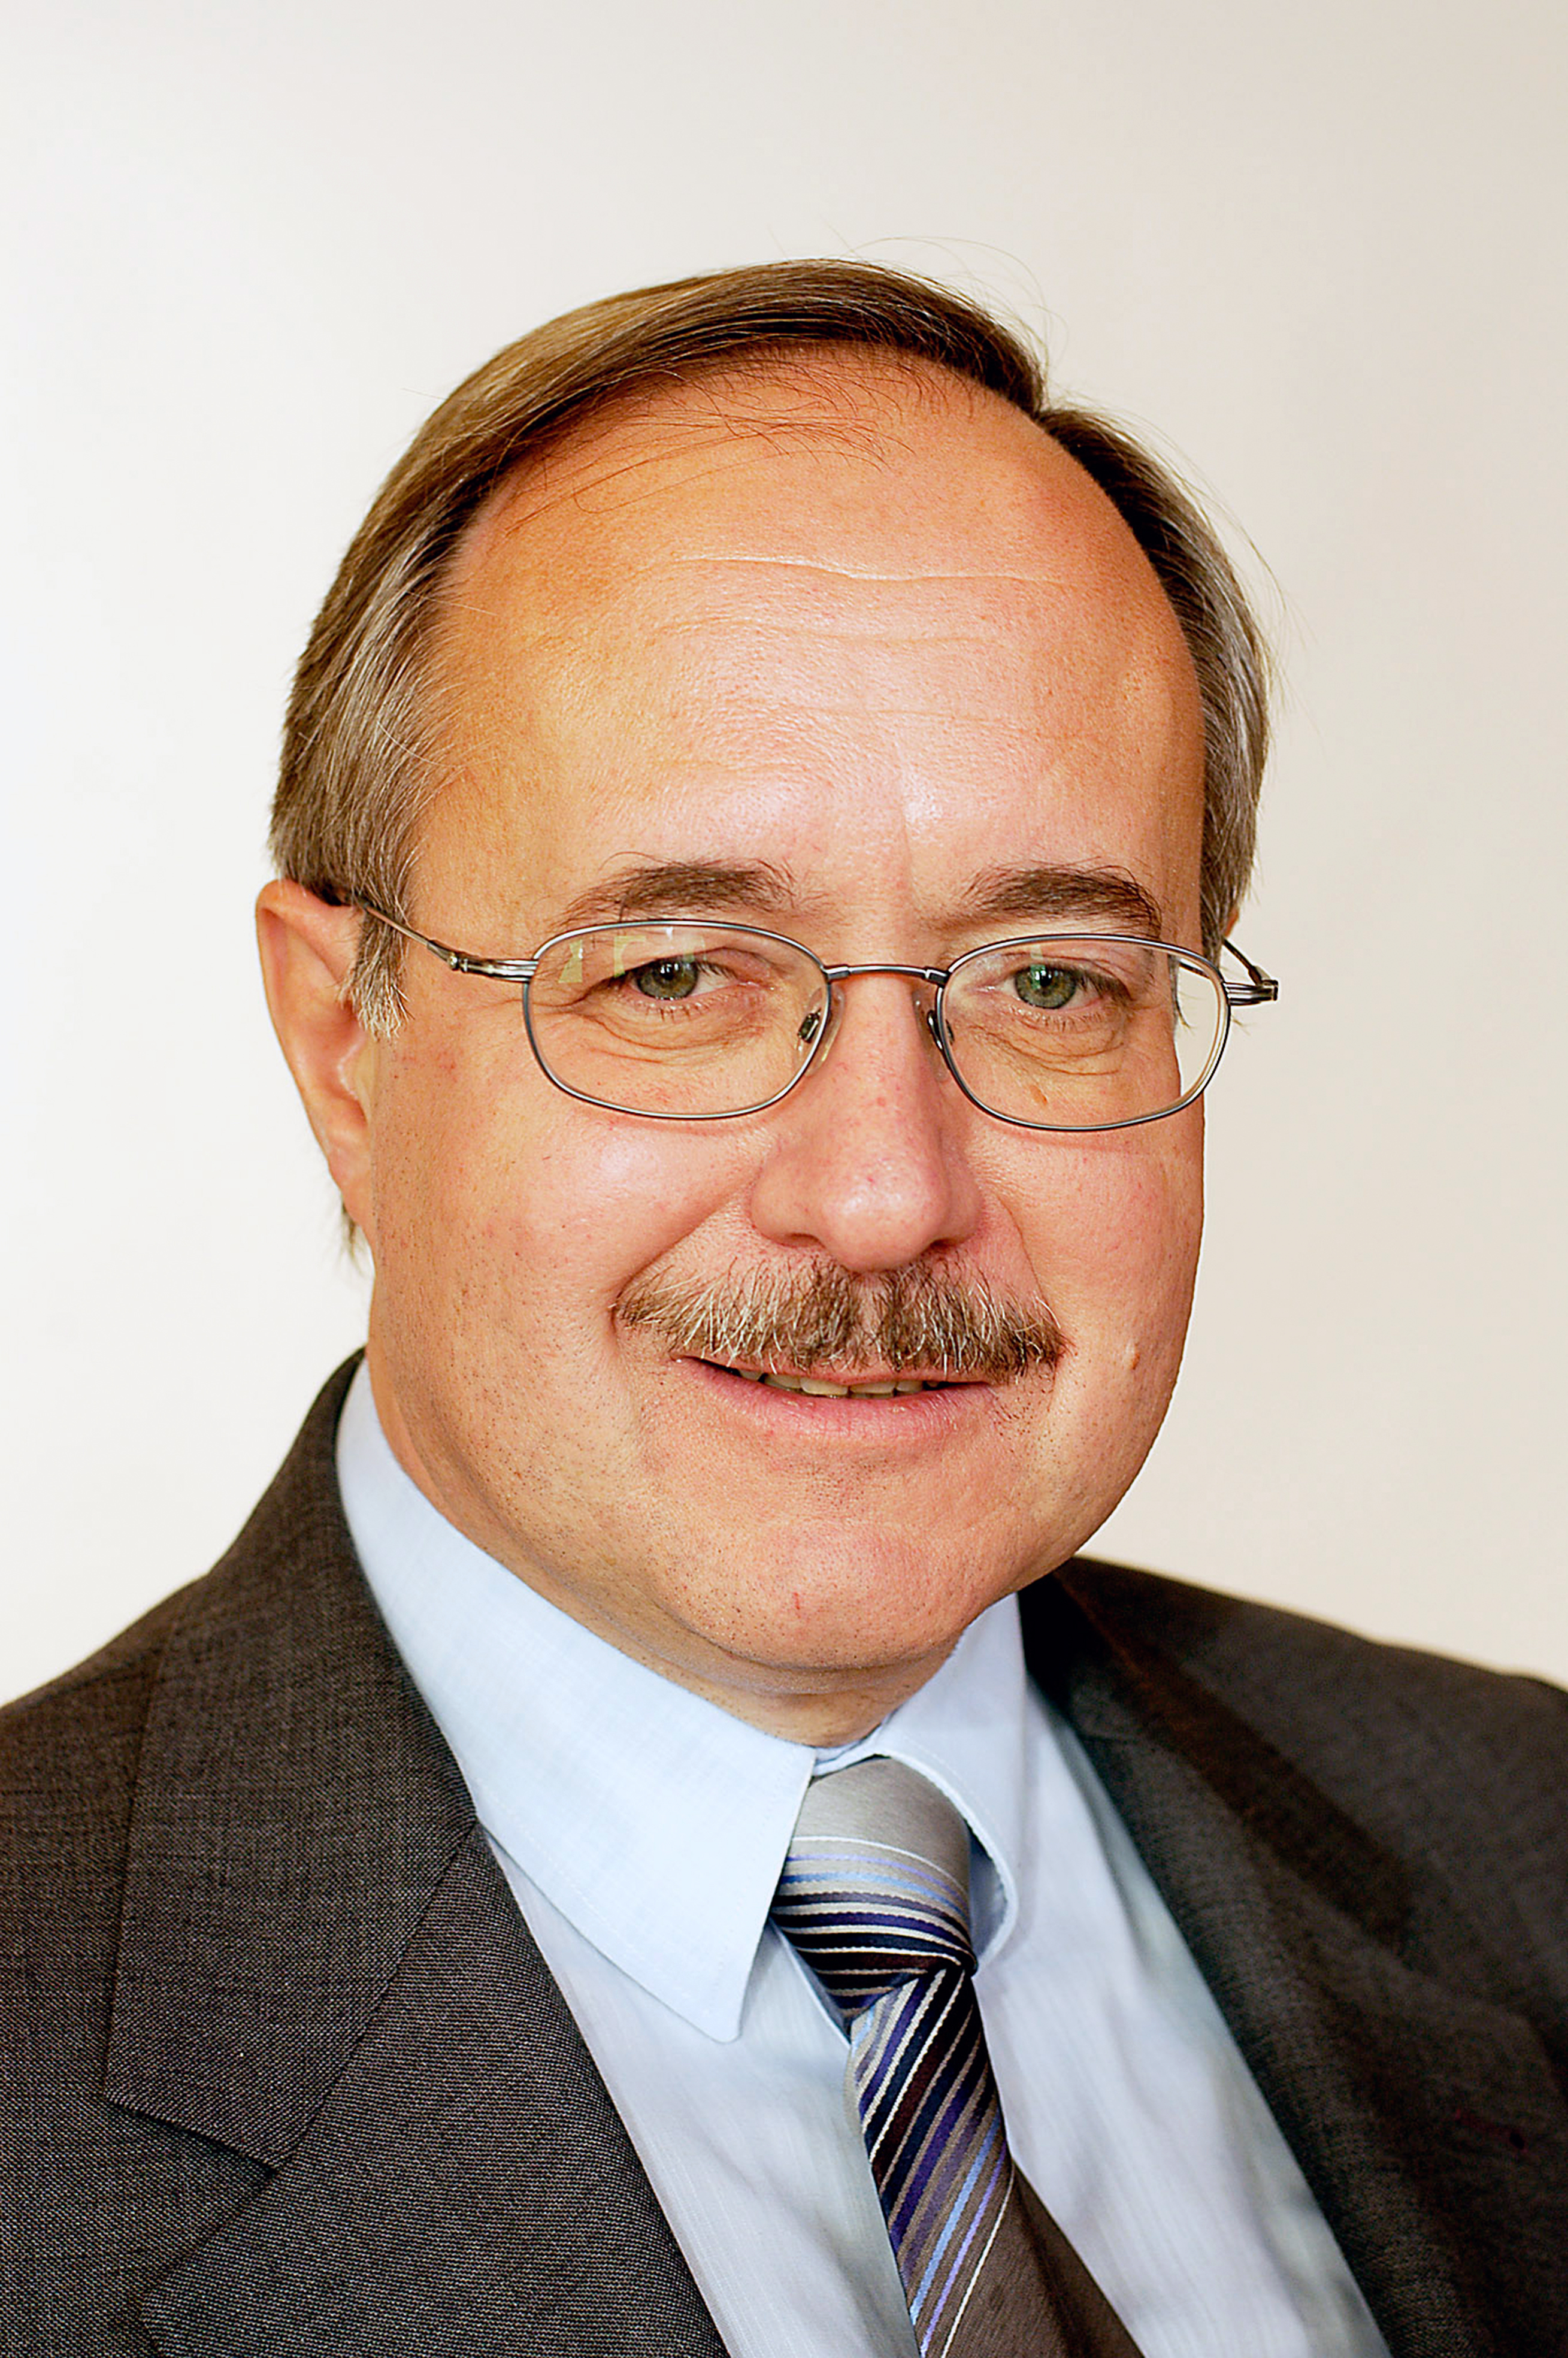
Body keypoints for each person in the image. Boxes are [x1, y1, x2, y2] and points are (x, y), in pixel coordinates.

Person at [2, 261, 1564, 2358]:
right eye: (674, 975)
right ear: (345, 1045)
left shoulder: (1526, 1842)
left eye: (1050, 982)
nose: (884, 1195)